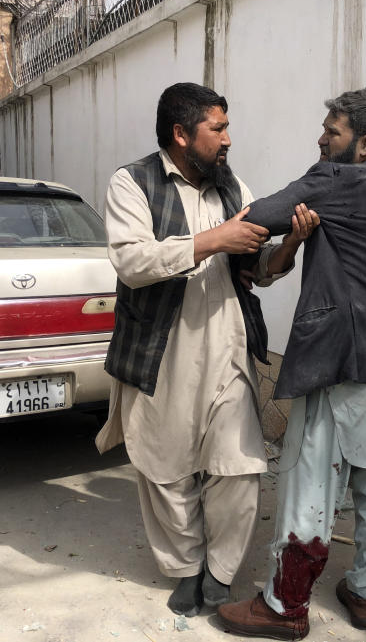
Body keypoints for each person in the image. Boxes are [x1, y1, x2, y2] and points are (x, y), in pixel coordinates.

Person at [217, 87, 366, 640]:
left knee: (311, 482)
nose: (321, 140)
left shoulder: (331, 180)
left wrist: (227, 236)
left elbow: (257, 218)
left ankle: (285, 607)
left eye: (333, 132)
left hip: (343, 361)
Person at [96, 82, 319, 617]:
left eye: (226, 128)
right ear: (181, 134)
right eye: (217, 129)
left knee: (238, 467)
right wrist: (212, 240)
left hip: (227, 346)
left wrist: (287, 245)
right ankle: (187, 568)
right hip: (161, 352)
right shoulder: (132, 183)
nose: (227, 140)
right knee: (165, 467)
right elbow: (132, 261)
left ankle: (219, 571)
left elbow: (254, 269)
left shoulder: (232, 187)